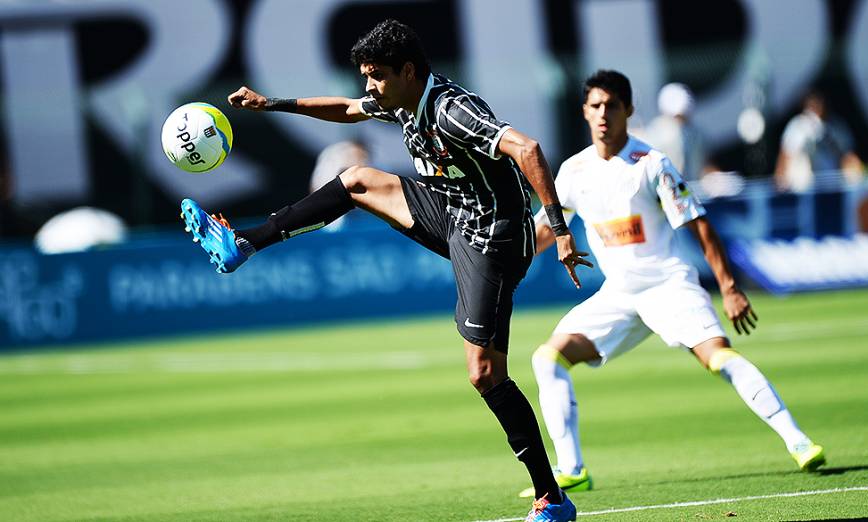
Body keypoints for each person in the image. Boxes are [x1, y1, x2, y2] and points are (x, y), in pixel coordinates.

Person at [180, 19, 587, 521]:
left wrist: (559, 229)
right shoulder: (401, 99)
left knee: (484, 374)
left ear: (409, 71)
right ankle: (242, 242)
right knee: (355, 180)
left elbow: (527, 149)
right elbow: (349, 110)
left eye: (376, 76)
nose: (368, 88)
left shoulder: (452, 110)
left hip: (493, 239)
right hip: (452, 211)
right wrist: (272, 104)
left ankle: (551, 498)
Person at [521, 70, 825, 498]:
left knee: (718, 358)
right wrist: (499, 267)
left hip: (668, 286)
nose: (603, 114)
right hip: (619, 295)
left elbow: (699, 224)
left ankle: (798, 441)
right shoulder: (573, 171)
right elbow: (544, 232)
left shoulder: (652, 163)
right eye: (595, 106)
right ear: (584, 112)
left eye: (612, 105)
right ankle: (571, 469)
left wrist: (730, 287)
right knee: (547, 358)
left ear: (628, 110)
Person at [774, 90, 864, 192]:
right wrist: (781, 183)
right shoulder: (797, 126)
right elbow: (785, 154)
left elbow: (849, 157)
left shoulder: (837, 127)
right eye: (811, 103)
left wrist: (855, 181)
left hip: (832, 189)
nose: (814, 107)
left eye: (818, 103)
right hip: (802, 191)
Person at [644, 82, 705, 182]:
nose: (681, 123)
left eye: (683, 117)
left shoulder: (695, 133)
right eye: (678, 117)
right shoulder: (658, 132)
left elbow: (701, 166)